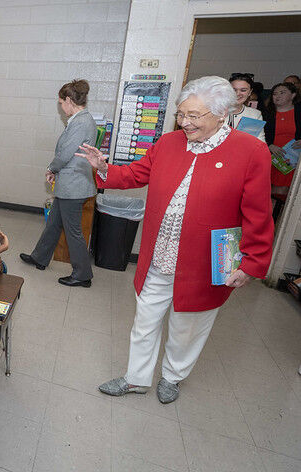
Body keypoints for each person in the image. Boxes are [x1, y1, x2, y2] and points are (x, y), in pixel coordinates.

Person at [77, 76, 273, 404]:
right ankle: (136, 378)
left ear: (221, 113)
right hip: (161, 252)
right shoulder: (169, 143)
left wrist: (252, 262)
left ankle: (173, 375)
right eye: (181, 114)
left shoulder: (251, 151)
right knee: (145, 319)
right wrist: (104, 168)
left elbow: (258, 214)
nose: (184, 122)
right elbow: (136, 174)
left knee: (189, 325)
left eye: (194, 115)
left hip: (208, 258)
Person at [19, 79, 98, 287]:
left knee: (73, 231)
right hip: (70, 184)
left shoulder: (81, 122)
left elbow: (65, 154)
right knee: (54, 223)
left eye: (61, 103)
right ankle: (40, 257)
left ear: (70, 101)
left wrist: (52, 168)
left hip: (74, 186)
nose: (61, 107)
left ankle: (83, 274)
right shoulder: (80, 120)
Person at [264, 82, 301, 215]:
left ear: (293, 95)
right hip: (270, 159)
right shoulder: (266, 114)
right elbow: (257, 136)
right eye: (274, 93)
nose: (277, 96)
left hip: (292, 161)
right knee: (267, 193)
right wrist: (269, 145)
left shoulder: (298, 112)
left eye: (282, 92)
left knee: (286, 194)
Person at [227, 73, 266, 142]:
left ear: (250, 92)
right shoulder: (215, 111)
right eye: (234, 90)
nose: (237, 93)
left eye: (243, 90)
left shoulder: (254, 114)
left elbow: (259, 142)